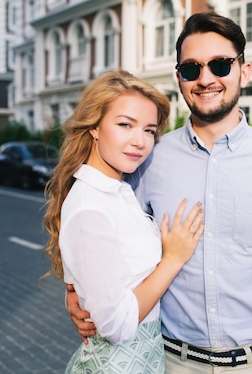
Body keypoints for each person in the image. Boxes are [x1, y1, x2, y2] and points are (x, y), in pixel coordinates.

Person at [67, 13, 252, 374]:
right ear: (179, 77)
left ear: (244, 71)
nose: (206, 79)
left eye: (220, 64)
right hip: (169, 362)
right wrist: (75, 291)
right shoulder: (148, 159)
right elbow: (103, 235)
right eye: (191, 68)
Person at [43, 69, 205, 373]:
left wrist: (74, 289)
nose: (140, 141)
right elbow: (116, 326)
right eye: (125, 125)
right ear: (94, 127)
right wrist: (173, 259)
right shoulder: (92, 205)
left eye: (149, 130)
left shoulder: (116, 190)